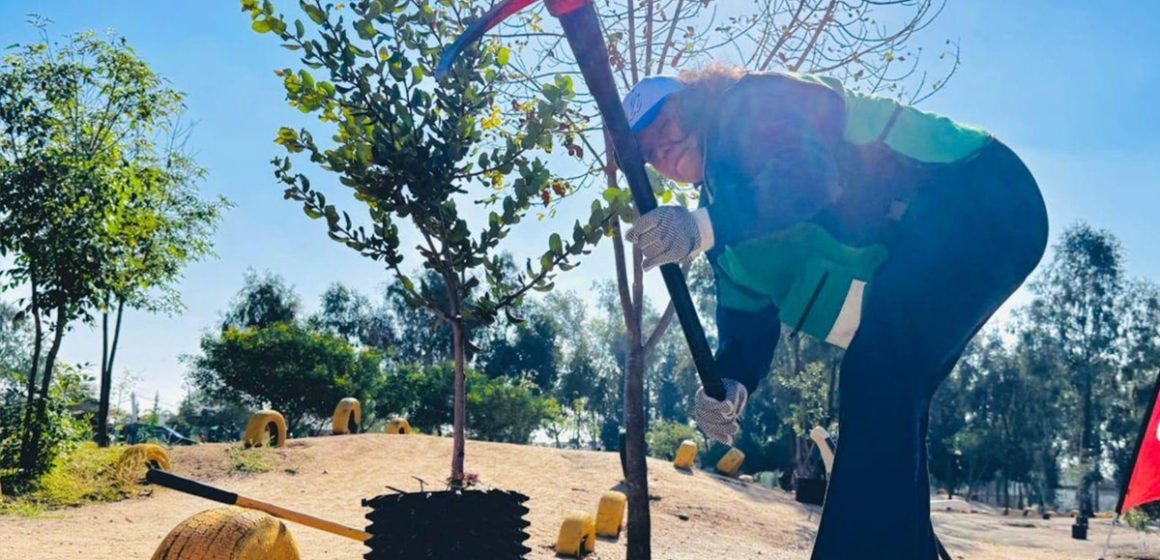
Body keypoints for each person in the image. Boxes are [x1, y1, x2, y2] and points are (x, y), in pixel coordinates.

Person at [622, 65, 1048, 559]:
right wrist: (729, 385)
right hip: (934, 241)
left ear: (695, 102)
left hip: (978, 193)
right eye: (650, 153)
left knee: (879, 373)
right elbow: (746, 329)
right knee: (890, 393)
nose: (664, 152)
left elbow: (808, 176)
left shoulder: (749, 105)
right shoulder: (725, 244)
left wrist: (704, 224)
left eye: (665, 128)